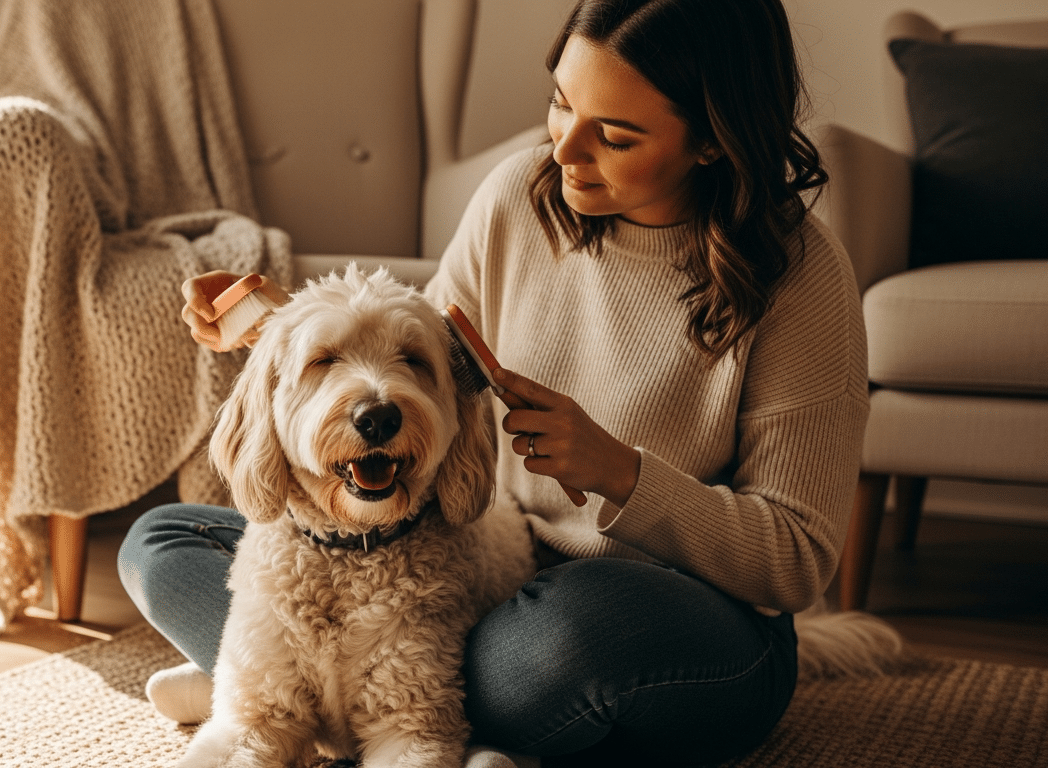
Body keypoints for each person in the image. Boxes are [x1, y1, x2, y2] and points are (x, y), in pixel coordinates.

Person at [120, 0, 866, 764]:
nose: (564, 149)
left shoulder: (800, 277)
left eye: (613, 135)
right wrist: (273, 326)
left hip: (666, 610)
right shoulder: (520, 197)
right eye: (561, 105)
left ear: (711, 140)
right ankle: (293, 690)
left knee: (560, 643)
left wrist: (619, 473)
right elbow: (414, 359)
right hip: (493, 576)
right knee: (160, 541)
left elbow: (796, 560)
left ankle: (305, 694)